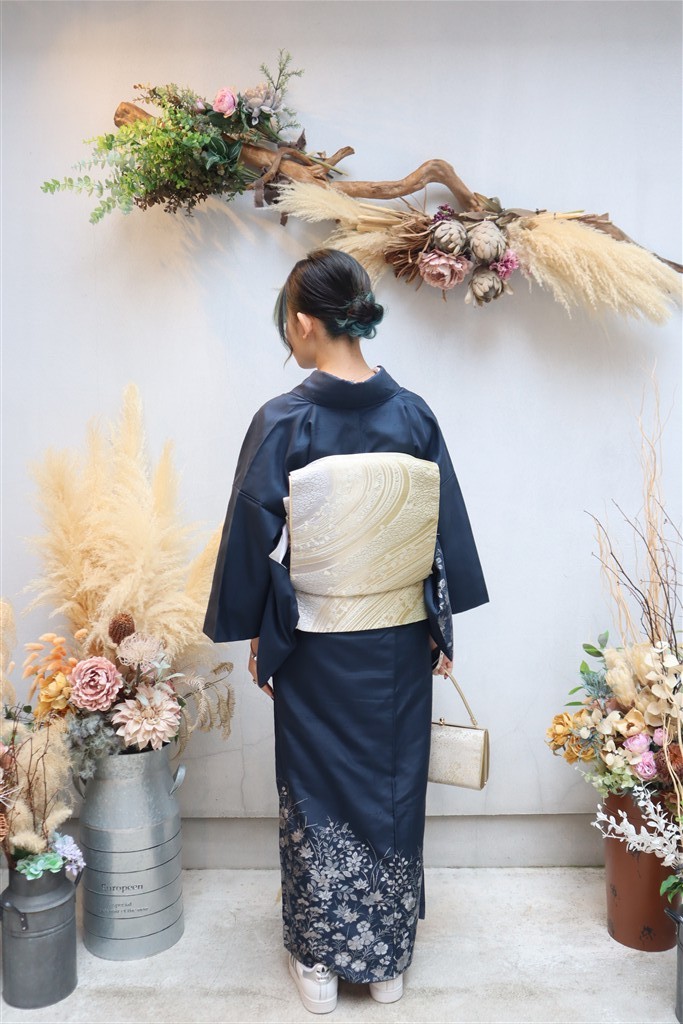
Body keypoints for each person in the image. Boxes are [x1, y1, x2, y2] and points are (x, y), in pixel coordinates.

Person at [203, 248, 488, 1014]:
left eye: (286, 324)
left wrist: (255, 628)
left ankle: (319, 963)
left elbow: (251, 534)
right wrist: (439, 627)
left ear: (304, 322)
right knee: (392, 786)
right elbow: (442, 534)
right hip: (397, 644)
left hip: (314, 645)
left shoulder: (284, 419)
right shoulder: (411, 413)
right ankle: (386, 964)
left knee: (315, 791)